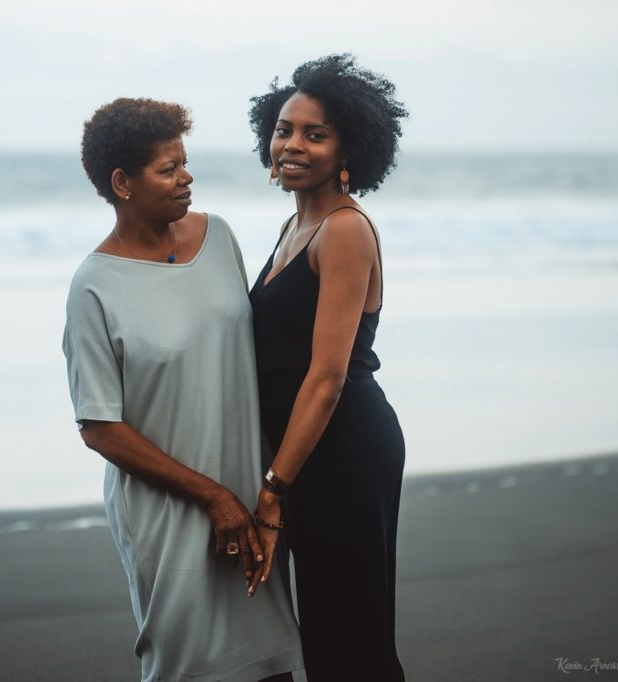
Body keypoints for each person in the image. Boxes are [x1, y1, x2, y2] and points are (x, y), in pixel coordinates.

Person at [62, 97, 304, 682]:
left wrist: (262, 486)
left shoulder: (218, 237)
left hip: (250, 494)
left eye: (184, 162)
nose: (186, 176)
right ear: (122, 183)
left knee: (271, 664)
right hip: (168, 512)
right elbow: (99, 426)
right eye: (168, 169)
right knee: (190, 667)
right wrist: (210, 497)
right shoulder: (94, 287)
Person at [244, 55, 410, 680]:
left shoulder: (343, 229)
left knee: (350, 640)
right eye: (284, 128)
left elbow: (326, 376)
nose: (292, 144)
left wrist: (272, 488)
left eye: (316, 134)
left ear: (350, 148)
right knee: (321, 634)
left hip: (340, 448)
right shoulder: (296, 221)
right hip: (303, 450)